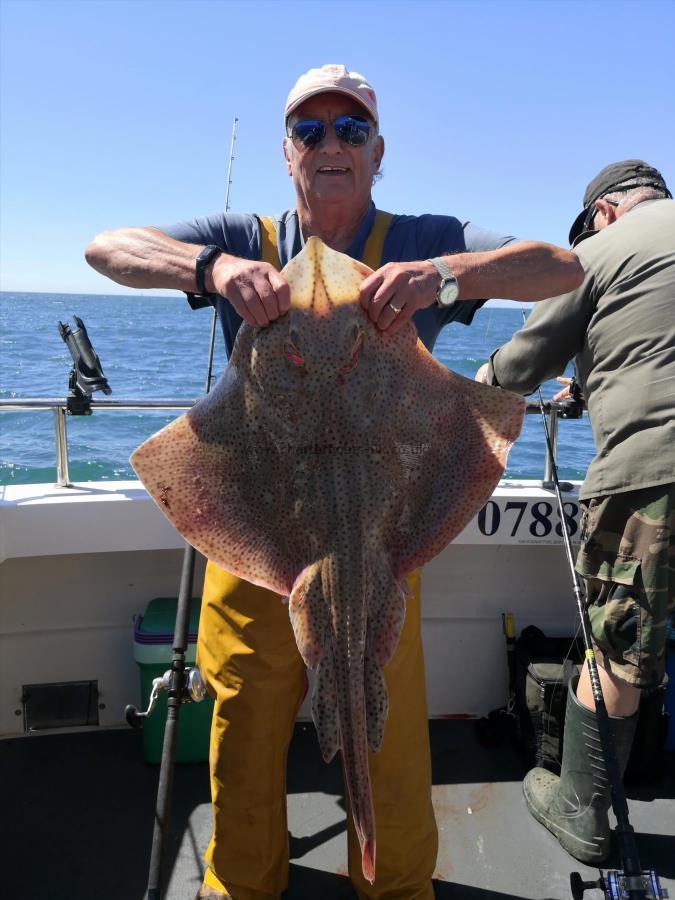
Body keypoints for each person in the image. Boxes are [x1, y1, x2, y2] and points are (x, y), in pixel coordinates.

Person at [86, 64, 583, 900]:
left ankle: (391, 884)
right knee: (240, 740)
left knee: (388, 751)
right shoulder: (245, 237)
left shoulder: (423, 236)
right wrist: (210, 270)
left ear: (376, 151)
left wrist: (445, 277)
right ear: (286, 153)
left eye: (349, 130)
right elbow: (106, 248)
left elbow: (561, 267)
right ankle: (239, 886)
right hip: (257, 548)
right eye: (309, 130)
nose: (329, 144)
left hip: (381, 547)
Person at [476, 159, 674, 864]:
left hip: (651, 478)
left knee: (614, 656)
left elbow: (520, 365)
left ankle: (583, 816)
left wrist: (475, 387)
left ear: (605, 213)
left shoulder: (594, 252)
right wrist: (590, 385)